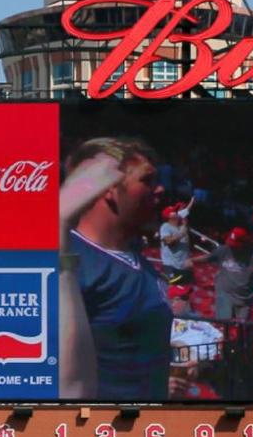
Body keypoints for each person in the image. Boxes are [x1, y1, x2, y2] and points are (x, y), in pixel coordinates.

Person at [57, 137, 171, 399]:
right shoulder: (70, 260)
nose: (160, 190)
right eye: (147, 180)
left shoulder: (141, 264)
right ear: (108, 189)